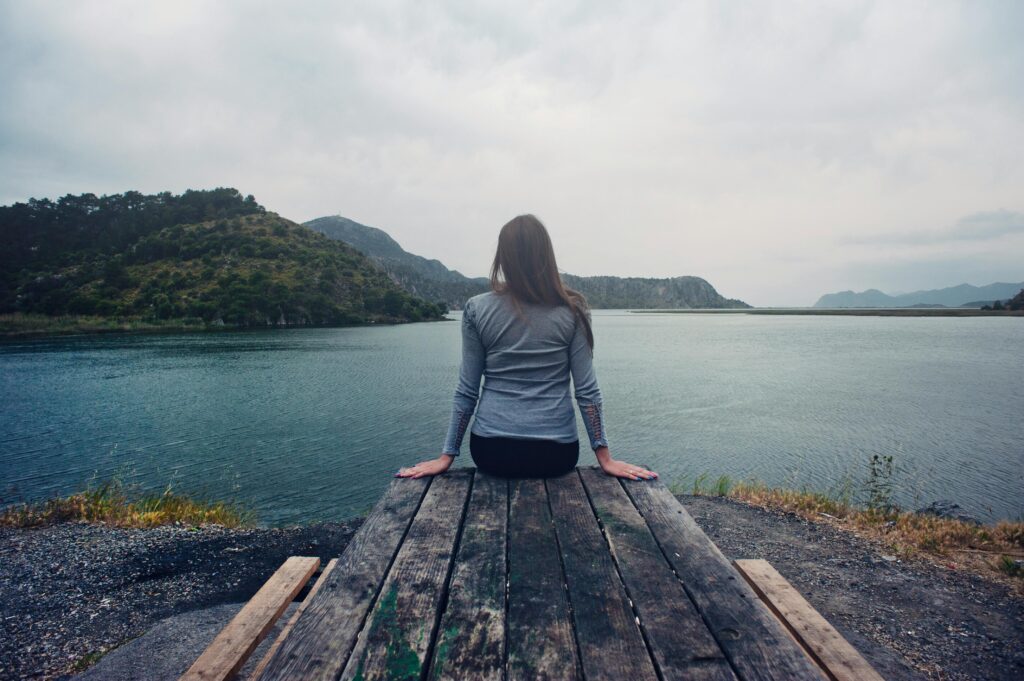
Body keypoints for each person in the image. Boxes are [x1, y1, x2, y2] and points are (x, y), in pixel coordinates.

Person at [396, 214, 658, 481]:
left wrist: (447, 455)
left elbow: (467, 390)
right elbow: (587, 391)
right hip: (557, 455)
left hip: (490, 452)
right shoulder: (573, 310)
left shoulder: (477, 309)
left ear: (503, 257)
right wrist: (605, 457)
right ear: (546, 254)